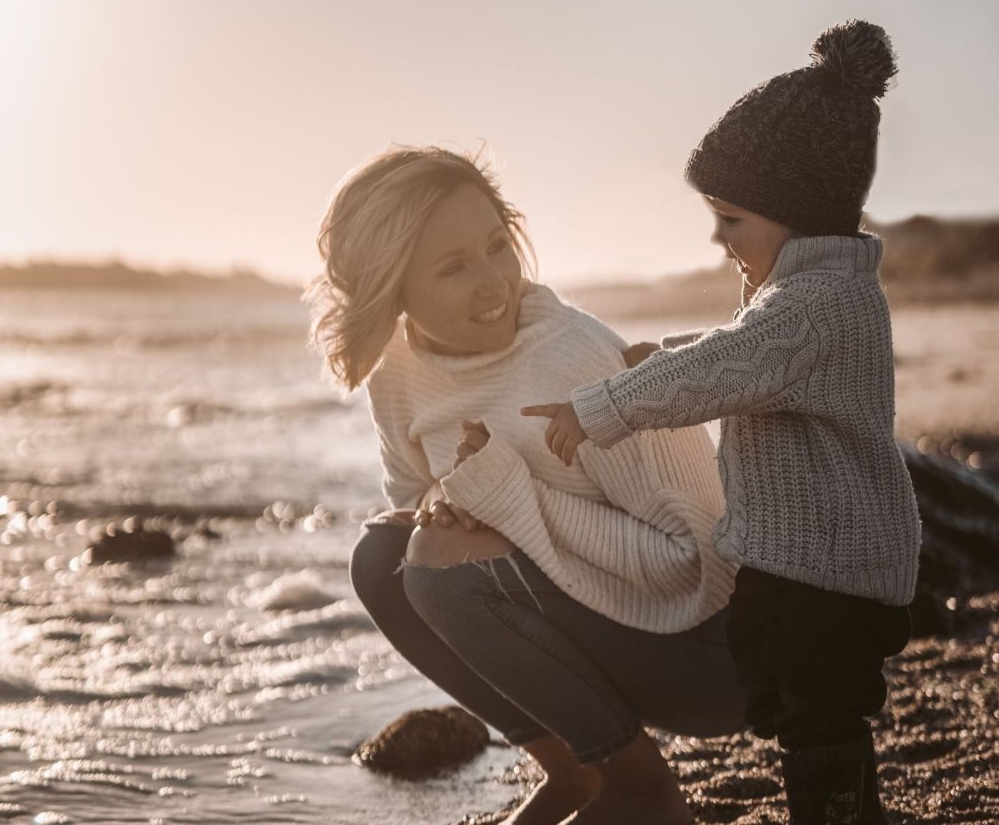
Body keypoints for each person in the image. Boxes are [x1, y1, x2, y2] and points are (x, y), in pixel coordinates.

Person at [523, 20, 920, 824]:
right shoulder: (810, 298)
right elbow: (739, 352)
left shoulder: (815, 304)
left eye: (733, 220)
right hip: (816, 564)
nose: (719, 239)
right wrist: (661, 352)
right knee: (811, 712)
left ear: (795, 211)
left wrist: (599, 409)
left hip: (829, 573)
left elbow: (730, 366)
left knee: (819, 721)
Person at [306, 145, 744, 825]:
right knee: (383, 559)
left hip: (710, 651)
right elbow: (421, 504)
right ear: (392, 287)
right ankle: (574, 772)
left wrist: (510, 498)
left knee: (440, 570)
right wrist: (458, 508)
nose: (493, 284)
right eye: (453, 268)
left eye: (496, 246)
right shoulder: (397, 374)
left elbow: (701, 564)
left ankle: (642, 790)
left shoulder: (573, 360)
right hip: (603, 632)